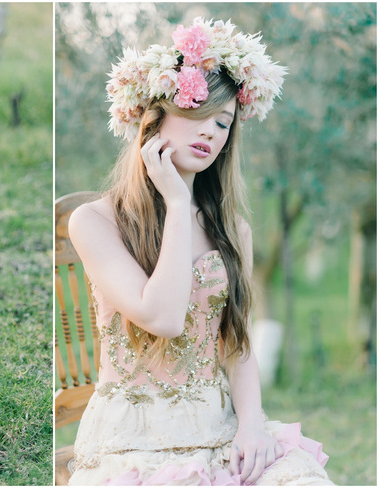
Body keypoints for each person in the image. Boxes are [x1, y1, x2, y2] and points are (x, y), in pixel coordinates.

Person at [67, 18, 333, 486]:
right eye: (197, 112)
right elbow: (164, 318)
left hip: (221, 428)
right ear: (154, 117)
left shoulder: (233, 231)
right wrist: (174, 201)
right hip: (135, 440)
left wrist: (252, 425)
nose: (211, 132)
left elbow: (238, 341)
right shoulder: (94, 222)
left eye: (223, 121)